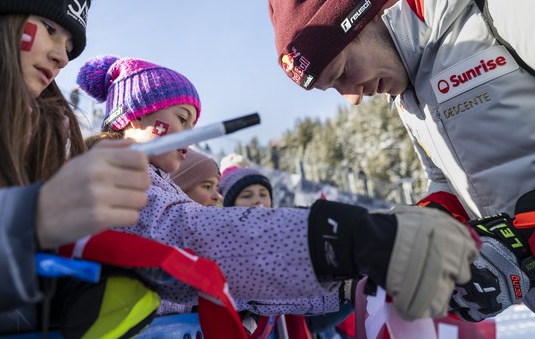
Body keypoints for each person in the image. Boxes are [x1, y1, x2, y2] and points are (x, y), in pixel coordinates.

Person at [267, 0, 535, 334]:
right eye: (333, 89)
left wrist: (530, 247)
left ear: (362, 18)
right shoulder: (410, 94)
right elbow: (448, 186)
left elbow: (526, 241)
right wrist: (417, 231)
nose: (352, 97)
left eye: (343, 73)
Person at [77, 55, 478, 327]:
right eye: (182, 118)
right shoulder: (117, 174)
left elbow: (231, 280)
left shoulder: (146, 178)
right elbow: (196, 241)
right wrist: (335, 241)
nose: (190, 136)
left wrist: (340, 281)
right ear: (133, 115)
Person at [0, 0, 152, 336]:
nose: (62, 56)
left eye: (69, 45)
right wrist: (32, 219)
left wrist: (76, 283)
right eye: (51, 28)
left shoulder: (38, 139)